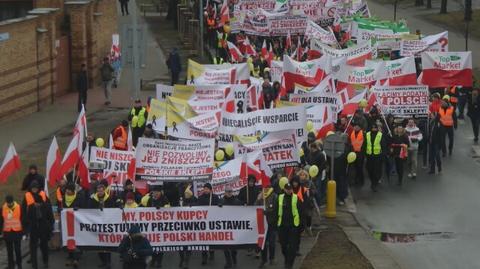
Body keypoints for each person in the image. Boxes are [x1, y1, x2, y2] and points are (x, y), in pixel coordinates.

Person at [22, 181, 54, 269]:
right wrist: (25, 228)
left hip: (43, 226)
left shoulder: (44, 197)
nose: (34, 189)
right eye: (33, 188)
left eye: (36, 188)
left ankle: (45, 260)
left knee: (44, 246)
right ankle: (34, 264)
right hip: (33, 227)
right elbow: (23, 212)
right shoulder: (27, 197)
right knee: (33, 247)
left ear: (38, 188)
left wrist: (51, 225)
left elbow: (50, 212)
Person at [140, 185, 170, 268]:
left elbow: (168, 209)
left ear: (160, 192)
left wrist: (162, 208)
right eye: (154, 192)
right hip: (152, 225)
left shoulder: (164, 199)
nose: (155, 194)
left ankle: (159, 261)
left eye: (157, 192)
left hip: (161, 225)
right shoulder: (150, 199)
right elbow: (146, 210)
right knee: (152, 243)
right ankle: (153, 260)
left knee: (160, 244)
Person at [89, 183, 116, 268]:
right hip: (97, 224)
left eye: (101, 190)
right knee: (99, 244)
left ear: (104, 190)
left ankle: (108, 262)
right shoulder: (93, 199)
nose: (100, 192)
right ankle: (103, 261)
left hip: (106, 224)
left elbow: (113, 210)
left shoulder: (109, 199)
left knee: (107, 245)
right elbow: (89, 209)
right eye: (98, 191)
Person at [277, 183, 301, 269]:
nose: (289, 190)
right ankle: (287, 259)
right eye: (287, 189)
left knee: (292, 247)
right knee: (283, 246)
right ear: (284, 189)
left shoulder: (296, 197)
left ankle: (289, 264)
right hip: (282, 226)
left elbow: (301, 211)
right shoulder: (280, 197)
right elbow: (276, 210)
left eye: (290, 189)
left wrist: (301, 226)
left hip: (293, 225)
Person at [61, 183, 84, 268]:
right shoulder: (64, 198)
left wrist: (78, 208)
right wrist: (61, 209)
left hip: (76, 223)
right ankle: (70, 256)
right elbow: (61, 207)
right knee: (69, 239)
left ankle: (76, 259)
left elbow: (83, 208)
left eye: (69, 190)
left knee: (76, 239)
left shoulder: (78, 197)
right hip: (67, 222)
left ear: (73, 190)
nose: (67, 191)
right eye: (67, 189)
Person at [256, 184, 278, 268]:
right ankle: (264, 260)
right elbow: (255, 207)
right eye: (264, 188)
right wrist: (258, 199)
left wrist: (266, 211)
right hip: (262, 224)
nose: (266, 189)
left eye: (267, 188)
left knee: (272, 242)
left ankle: (272, 258)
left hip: (271, 223)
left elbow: (274, 209)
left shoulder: (274, 196)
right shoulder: (261, 196)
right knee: (263, 243)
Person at [197, 183, 219, 265]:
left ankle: (212, 252)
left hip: (212, 221)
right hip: (203, 222)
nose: (205, 190)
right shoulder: (200, 198)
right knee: (204, 239)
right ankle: (204, 256)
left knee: (211, 238)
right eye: (204, 189)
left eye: (207, 189)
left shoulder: (215, 197)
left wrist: (219, 206)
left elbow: (218, 205)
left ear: (210, 190)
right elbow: (197, 207)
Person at [220, 186, 241, 268]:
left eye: (230, 191)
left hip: (234, 227)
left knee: (233, 248)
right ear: (225, 192)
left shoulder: (237, 202)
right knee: (225, 247)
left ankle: (234, 258)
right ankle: (228, 262)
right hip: (225, 227)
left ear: (232, 192)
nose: (229, 193)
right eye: (227, 191)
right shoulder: (221, 201)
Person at [1, 195, 23, 269]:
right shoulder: (3, 208)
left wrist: (24, 232)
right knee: (9, 251)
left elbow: (23, 219)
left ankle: (19, 264)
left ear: (13, 201)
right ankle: (11, 265)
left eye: (10, 203)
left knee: (17, 250)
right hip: (7, 232)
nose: (9, 204)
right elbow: (1, 221)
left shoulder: (19, 207)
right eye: (8, 203)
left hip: (17, 232)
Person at [178, 185, 196, 269]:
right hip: (182, 226)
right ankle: (182, 258)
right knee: (180, 245)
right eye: (185, 194)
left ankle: (186, 261)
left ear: (190, 194)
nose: (186, 195)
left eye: (187, 194)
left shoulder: (194, 202)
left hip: (190, 226)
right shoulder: (182, 201)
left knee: (188, 245)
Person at [365, 124, 385, 192]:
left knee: (376, 171)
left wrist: (383, 155)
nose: (374, 129)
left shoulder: (380, 135)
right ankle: (372, 181)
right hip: (369, 155)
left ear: (377, 128)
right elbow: (365, 144)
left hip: (377, 156)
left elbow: (383, 146)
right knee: (369, 170)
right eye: (372, 128)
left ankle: (374, 184)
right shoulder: (367, 134)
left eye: (375, 128)